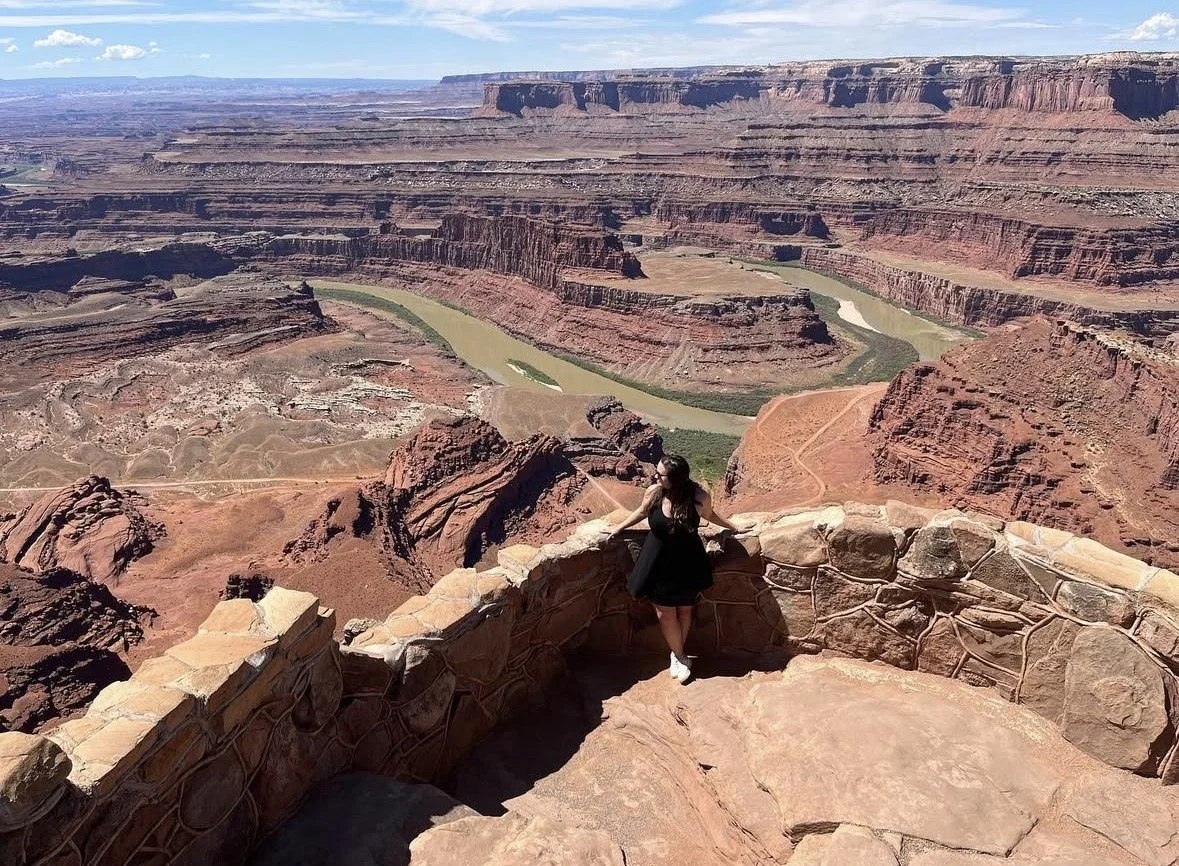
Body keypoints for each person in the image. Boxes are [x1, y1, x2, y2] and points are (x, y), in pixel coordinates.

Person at [605, 454, 742, 684]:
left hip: (687, 560)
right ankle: (679, 655)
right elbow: (641, 511)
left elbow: (710, 515)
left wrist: (734, 526)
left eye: (661, 474)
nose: (655, 476)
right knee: (664, 612)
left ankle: (677, 655)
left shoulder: (698, 497)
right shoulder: (654, 492)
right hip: (658, 560)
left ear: (676, 478)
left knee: (685, 609)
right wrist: (619, 527)